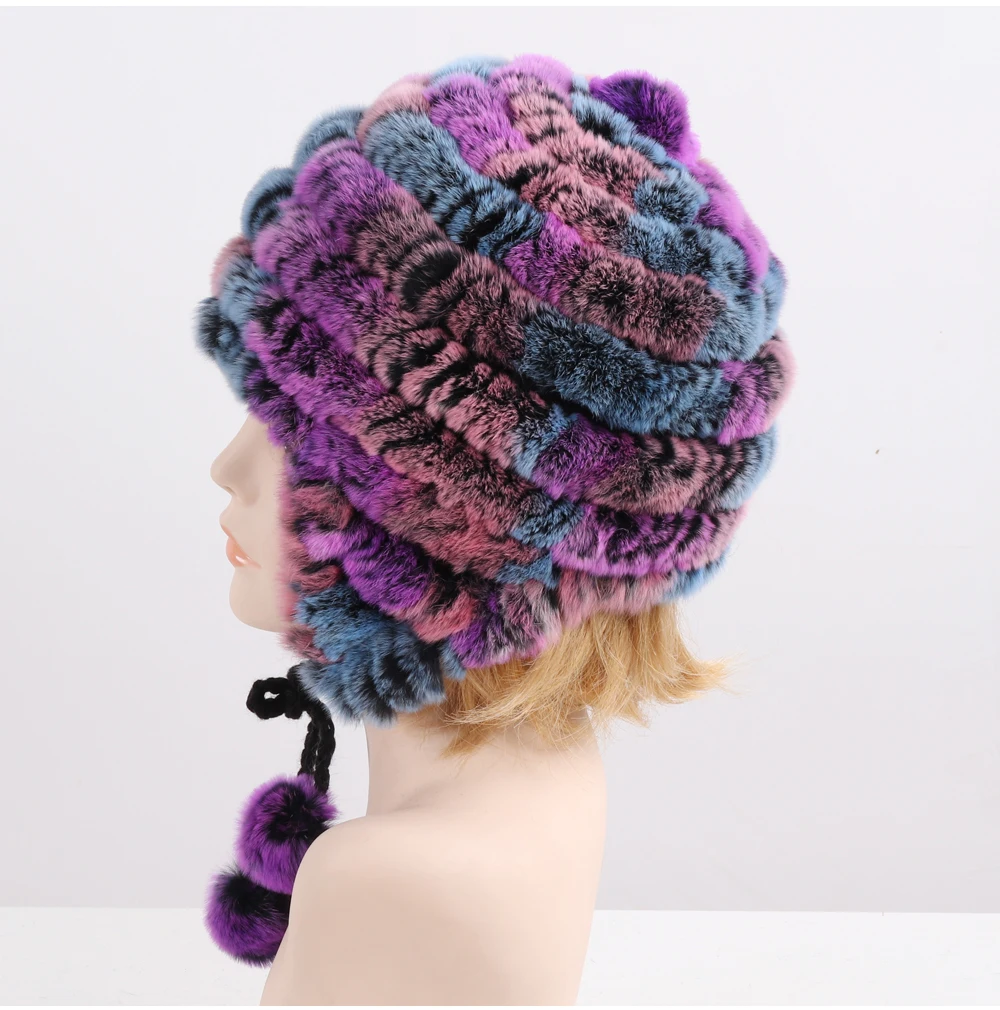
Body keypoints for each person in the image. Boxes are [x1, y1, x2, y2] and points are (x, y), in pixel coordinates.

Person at [196, 51, 794, 1005]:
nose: (227, 470)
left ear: (447, 520)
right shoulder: (547, 781)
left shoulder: (385, 884)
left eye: (293, 431)